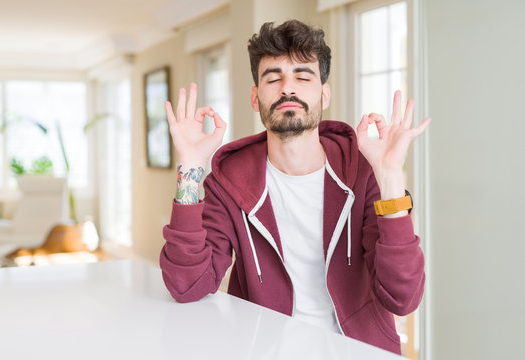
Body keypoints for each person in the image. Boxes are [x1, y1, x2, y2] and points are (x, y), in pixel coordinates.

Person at [160, 19, 430, 355]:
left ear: (324, 93)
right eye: (274, 77)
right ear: (255, 97)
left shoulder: (363, 173)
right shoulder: (228, 184)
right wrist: (190, 167)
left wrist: (389, 176)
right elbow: (187, 286)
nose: (288, 88)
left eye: (303, 76)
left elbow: (402, 298)